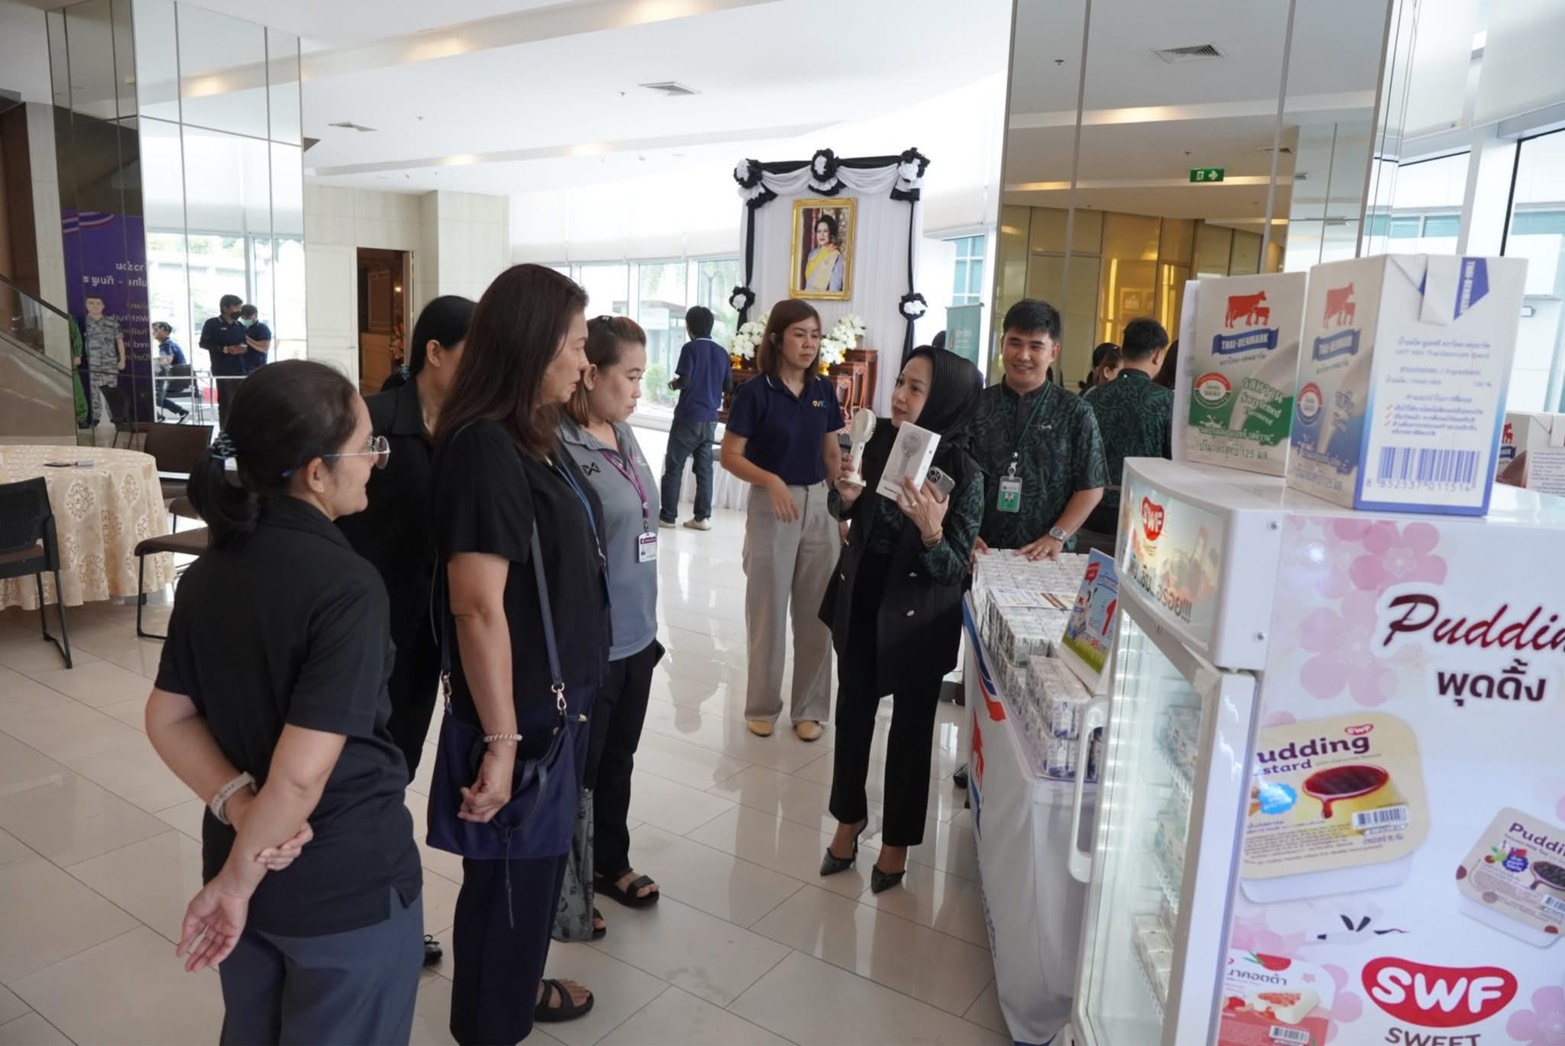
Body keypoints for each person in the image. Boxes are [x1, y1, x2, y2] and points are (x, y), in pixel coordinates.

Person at [144, 359, 424, 1043]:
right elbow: (300, 777)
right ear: (317, 473)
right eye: (366, 446)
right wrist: (235, 886)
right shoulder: (346, 587)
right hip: (338, 880)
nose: (375, 461)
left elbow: (168, 716)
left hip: (242, 853)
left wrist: (240, 812)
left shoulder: (209, 572)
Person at [431, 264, 606, 1045]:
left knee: (525, 887)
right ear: (531, 348)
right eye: (574, 345)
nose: (584, 363)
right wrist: (501, 743)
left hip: (554, 701)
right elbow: (475, 606)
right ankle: (489, 1027)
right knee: (507, 894)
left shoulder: (531, 438)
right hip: (524, 713)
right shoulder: (483, 449)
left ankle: (508, 1001)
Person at [338, 294, 474, 967]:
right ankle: (357, 912)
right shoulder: (371, 421)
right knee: (352, 780)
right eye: (474, 354)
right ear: (435, 352)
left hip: (427, 639)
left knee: (396, 774)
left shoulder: (474, 431)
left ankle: (385, 912)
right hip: (360, 638)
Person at [820, 346, 984, 894]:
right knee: (853, 715)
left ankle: (897, 844)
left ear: (945, 400)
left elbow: (953, 568)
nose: (899, 396)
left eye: (916, 388)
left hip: (919, 615)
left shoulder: (963, 472)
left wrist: (933, 532)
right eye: (900, 382)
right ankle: (849, 820)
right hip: (863, 596)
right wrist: (844, 499)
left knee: (912, 732)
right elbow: (847, 511)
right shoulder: (879, 441)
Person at [559, 315, 665, 926]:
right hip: (592, 641)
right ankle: (569, 884)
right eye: (630, 376)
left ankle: (610, 861)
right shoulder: (558, 443)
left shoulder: (623, 434)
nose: (637, 390)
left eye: (641, 377)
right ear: (590, 372)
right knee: (584, 767)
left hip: (638, 634)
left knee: (619, 757)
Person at [719, 299, 843, 741]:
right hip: (772, 505)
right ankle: (761, 706)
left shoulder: (823, 390)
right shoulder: (755, 392)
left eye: (815, 335)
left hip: (819, 505)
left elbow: (832, 453)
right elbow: (729, 455)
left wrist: (840, 512)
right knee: (767, 612)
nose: (809, 344)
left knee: (817, 616)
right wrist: (770, 480)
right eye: (799, 334)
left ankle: (809, 709)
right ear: (776, 338)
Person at [971, 299, 1108, 560]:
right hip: (979, 551)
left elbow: (1091, 487)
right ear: (1002, 344)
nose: (1023, 355)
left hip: (1045, 556)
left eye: (1035, 346)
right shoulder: (975, 405)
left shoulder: (1075, 412)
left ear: (1053, 352)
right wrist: (962, 531)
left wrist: (1057, 535)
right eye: (1015, 343)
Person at [1084, 318, 1172, 536]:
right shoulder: (1165, 400)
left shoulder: (1093, 397)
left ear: (1123, 351)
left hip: (1090, 510)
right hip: (1143, 511)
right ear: (1157, 355)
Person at [659, 305, 732, 531]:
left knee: (674, 466)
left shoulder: (690, 348)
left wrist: (673, 384)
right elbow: (728, 386)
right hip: (710, 419)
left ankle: (668, 517)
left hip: (688, 417)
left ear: (689, 327)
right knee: (704, 470)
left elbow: (685, 381)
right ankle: (702, 518)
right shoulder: (722, 352)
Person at [200, 294, 249, 426]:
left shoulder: (240, 326)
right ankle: (225, 431)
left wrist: (242, 349)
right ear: (225, 308)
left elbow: (244, 344)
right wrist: (224, 349)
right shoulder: (212, 324)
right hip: (223, 369)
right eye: (236, 308)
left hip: (240, 369)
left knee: (241, 402)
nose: (239, 311)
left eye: (240, 308)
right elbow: (204, 343)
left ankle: (239, 430)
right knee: (226, 402)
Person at [77, 295, 124, 425]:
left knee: (112, 390)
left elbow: (119, 341)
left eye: (98, 303)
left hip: (110, 362)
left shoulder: (111, 322)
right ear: (86, 305)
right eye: (91, 303)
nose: (95, 306)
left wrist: (122, 360)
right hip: (92, 363)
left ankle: (115, 416)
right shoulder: (82, 323)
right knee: (94, 391)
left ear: (103, 306)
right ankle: (95, 417)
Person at [152, 321, 190, 421]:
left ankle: (160, 416)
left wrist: (153, 361)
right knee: (152, 395)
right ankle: (180, 412)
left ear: (165, 331)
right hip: (177, 378)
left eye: (156, 330)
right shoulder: (169, 344)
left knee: (152, 395)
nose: (153, 332)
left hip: (174, 380)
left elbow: (167, 360)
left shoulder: (166, 344)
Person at [802, 215, 846, 293]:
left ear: (831, 233)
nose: (821, 235)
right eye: (819, 231)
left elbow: (834, 290)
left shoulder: (836, 256)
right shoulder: (812, 254)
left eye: (825, 231)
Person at [239, 304, 273, 373]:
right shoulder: (240, 327)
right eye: (243, 317)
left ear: (255, 315)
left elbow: (265, 347)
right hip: (241, 365)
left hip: (257, 366)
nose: (246, 320)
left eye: (248, 317)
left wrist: (246, 339)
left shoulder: (262, 328)